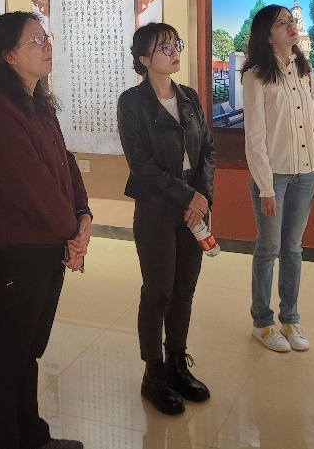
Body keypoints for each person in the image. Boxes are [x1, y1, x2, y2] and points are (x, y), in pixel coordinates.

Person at [0, 12, 91, 449]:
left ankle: (32, 436)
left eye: (46, 36)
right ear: (8, 55)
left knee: (28, 351)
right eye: (34, 40)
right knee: (9, 358)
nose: (46, 45)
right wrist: (73, 232)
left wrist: (83, 213)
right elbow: (31, 186)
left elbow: (64, 163)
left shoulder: (36, 101)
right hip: (18, 252)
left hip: (47, 244)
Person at [117, 23, 216, 415]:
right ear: (144, 59)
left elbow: (207, 150)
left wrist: (201, 198)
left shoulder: (189, 96)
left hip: (194, 209)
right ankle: (153, 373)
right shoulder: (132, 103)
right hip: (157, 209)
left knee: (184, 291)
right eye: (164, 47)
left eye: (176, 44)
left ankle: (177, 363)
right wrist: (188, 196)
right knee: (158, 292)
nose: (175, 52)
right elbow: (141, 165)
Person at [241, 4, 314, 353]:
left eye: (291, 21)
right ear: (267, 35)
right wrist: (265, 187)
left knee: (293, 249)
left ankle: (290, 319)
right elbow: (254, 137)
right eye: (282, 23)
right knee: (269, 249)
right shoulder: (256, 75)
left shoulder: (305, 72)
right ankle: (262, 323)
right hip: (274, 177)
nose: (291, 26)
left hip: (306, 173)